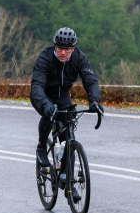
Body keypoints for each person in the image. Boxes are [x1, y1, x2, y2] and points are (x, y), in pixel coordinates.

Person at [30, 27, 102, 175]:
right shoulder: (45, 57)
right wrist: (45, 104)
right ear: (55, 46)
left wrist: (94, 101)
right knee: (49, 114)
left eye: (67, 49)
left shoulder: (79, 58)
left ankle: (68, 180)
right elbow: (37, 85)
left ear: (73, 49)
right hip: (43, 95)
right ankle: (41, 147)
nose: (63, 52)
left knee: (68, 137)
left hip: (63, 95)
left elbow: (90, 81)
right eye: (60, 48)